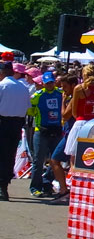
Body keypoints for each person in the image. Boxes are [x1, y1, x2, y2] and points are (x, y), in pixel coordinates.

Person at [0, 61, 31, 201]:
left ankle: (2, 186)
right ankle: (4, 184)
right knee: (10, 154)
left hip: (3, 122)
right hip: (17, 123)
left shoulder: (2, 86)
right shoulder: (23, 87)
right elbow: (27, 107)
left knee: (2, 154)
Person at [28, 72, 62, 198]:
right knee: (38, 160)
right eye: (47, 83)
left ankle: (47, 183)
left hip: (57, 130)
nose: (49, 85)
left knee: (56, 159)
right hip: (41, 130)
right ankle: (35, 187)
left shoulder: (60, 93)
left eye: (51, 82)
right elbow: (29, 110)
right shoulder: (37, 95)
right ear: (43, 83)